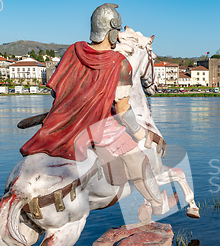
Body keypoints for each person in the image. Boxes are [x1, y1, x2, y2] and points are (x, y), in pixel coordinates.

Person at [20, 3, 174, 219]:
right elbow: (121, 107)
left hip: (62, 121)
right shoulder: (120, 63)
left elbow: (59, 92)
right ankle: (158, 204)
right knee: (138, 160)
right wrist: (140, 133)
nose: (118, 36)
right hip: (97, 126)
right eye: (117, 31)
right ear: (112, 31)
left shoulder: (72, 50)